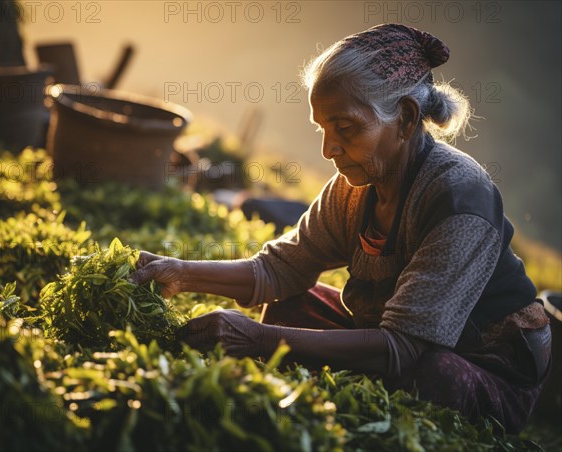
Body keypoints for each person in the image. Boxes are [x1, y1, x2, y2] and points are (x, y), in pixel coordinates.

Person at [131, 24, 551, 433]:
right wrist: (179, 272)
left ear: (405, 118)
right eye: (323, 129)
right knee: (290, 304)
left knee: (433, 374)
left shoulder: (459, 200)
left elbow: (404, 347)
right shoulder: (354, 187)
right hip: (393, 337)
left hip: (483, 368)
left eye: (346, 129)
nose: (328, 149)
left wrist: (259, 339)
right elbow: (277, 271)